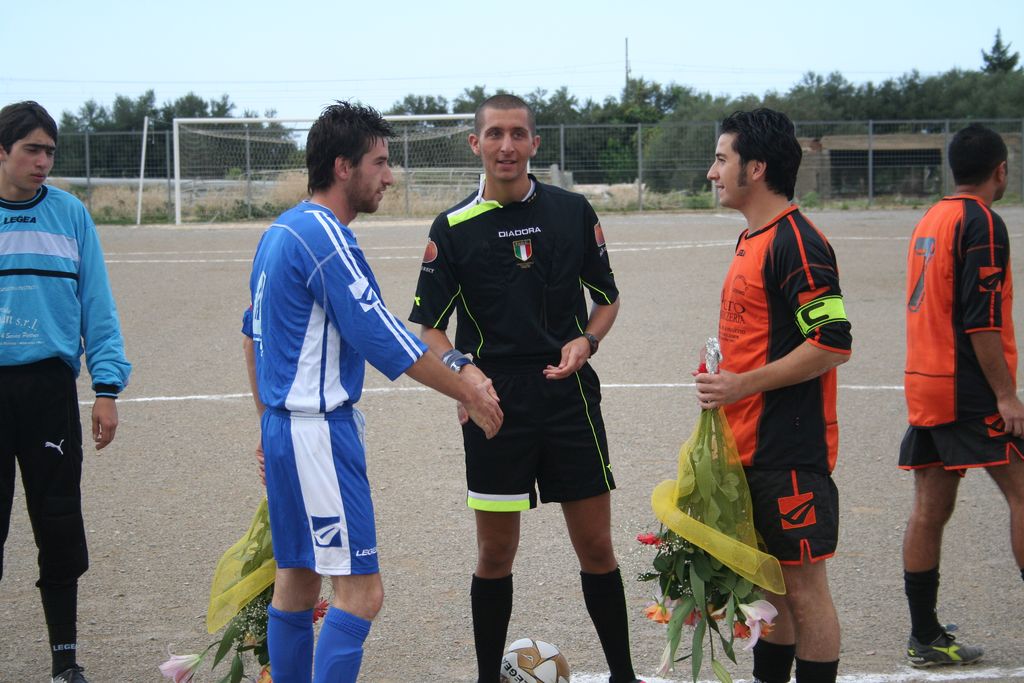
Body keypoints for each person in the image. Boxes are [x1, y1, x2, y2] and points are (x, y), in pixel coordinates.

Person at [241, 101, 502, 683]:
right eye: (380, 163)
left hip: (285, 429)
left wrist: (266, 425)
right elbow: (388, 339)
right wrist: (467, 389)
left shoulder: (279, 231)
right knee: (361, 594)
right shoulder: (324, 236)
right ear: (343, 166)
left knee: (297, 580)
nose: (389, 176)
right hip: (317, 435)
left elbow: (250, 337)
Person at [409, 94, 642, 683]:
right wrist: (465, 374)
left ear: (535, 142)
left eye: (518, 134)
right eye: (494, 134)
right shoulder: (452, 228)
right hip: (495, 404)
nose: (506, 146)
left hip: (569, 395)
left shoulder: (572, 211)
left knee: (596, 547)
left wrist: (587, 341)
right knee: (495, 553)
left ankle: (624, 676)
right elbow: (428, 328)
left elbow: (607, 299)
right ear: (476, 144)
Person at [695, 108, 852, 683]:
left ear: (756, 168)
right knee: (770, 588)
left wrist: (742, 383)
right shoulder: (751, 238)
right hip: (747, 447)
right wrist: (721, 378)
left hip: (789, 451)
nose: (712, 172)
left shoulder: (798, 243)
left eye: (721, 159)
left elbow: (832, 343)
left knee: (805, 589)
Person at [0, 101, 131, 683]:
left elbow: (97, 305)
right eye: (32, 149)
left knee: (58, 524)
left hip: (49, 392)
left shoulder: (70, 215)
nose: (43, 161)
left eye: (50, 151)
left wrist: (107, 387)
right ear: (2, 150)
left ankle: (64, 661)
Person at [899, 123, 1023, 667]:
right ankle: (925, 636)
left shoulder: (933, 217)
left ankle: (925, 636)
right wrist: (1006, 396)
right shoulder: (983, 223)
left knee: (931, 507)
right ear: (1001, 170)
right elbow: (982, 320)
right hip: (966, 387)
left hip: (926, 382)